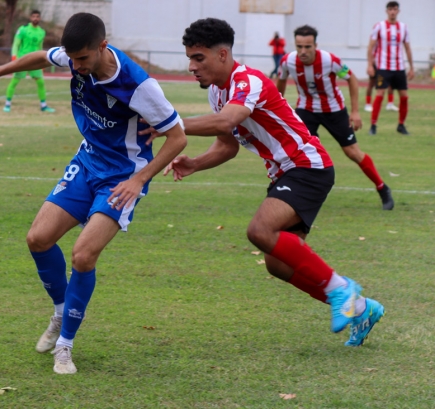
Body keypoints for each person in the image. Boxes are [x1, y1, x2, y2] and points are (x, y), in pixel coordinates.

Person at [0, 12, 187, 374]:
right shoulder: (73, 56)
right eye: (73, 59)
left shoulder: (139, 85)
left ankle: (65, 345)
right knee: (38, 238)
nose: (76, 66)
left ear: (102, 46)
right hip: (86, 163)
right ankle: (61, 309)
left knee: (83, 255)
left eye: (83, 59)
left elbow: (178, 137)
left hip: (121, 177)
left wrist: (139, 179)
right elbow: (40, 57)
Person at [143, 18, 384, 347]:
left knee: (259, 231)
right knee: (278, 264)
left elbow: (228, 120)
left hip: (306, 166)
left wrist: (171, 124)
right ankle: (360, 308)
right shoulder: (218, 92)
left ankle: (342, 290)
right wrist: (195, 163)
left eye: (198, 58)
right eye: (189, 58)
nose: (191, 67)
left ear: (223, 54)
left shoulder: (248, 80)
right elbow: (227, 144)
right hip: (286, 173)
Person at [276, 25, 394, 210]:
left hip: (334, 110)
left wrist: (355, 112)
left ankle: (382, 188)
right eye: (299, 46)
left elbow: (351, 79)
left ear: (316, 45)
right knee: (296, 152)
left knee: (352, 153)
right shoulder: (287, 61)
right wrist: (278, 110)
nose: (303, 51)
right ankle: (292, 194)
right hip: (306, 110)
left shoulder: (330, 60)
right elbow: (280, 83)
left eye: (308, 47)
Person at [367, 1, 413, 135]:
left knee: (404, 96)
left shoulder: (404, 27)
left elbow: (408, 48)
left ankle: (401, 125)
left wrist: (411, 67)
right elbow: (371, 47)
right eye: (390, 9)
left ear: (398, 11)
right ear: (386, 11)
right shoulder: (379, 26)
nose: (393, 11)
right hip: (383, 68)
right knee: (380, 94)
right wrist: (370, 64)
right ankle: (373, 125)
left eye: (395, 9)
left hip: (399, 68)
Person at [3, 9, 55, 113]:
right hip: (23, 59)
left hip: (35, 61)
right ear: (30, 18)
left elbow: (40, 47)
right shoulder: (23, 29)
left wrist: (43, 61)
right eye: (34, 16)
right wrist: (14, 56)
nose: (35, 18)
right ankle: (7, 104)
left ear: (39, 18)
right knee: (15, 81)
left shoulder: (42, 32)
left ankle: (43, 106)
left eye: (37, 16)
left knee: (40, 82)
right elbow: (16, 44)